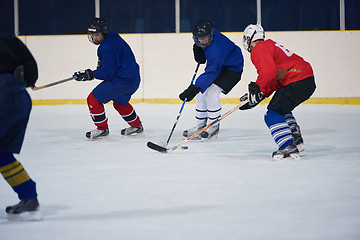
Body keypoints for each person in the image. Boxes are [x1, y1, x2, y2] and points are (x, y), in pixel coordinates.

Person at [240, 24, 316, 160]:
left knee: (272, 114)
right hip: (306, 80)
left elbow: (268, 73)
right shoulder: (270, 46)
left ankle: (286, 145)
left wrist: (258, 88)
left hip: (296, 79)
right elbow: (274, 78)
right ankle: (295, 137)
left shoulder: (259, 48)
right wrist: (258, 96)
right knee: (281, 110)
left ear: (249, 38)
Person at [73, 18, 144, 139]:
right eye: (92, 34)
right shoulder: (114, 37)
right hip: (133, 79)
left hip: (122, 80)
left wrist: (91, 74)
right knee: (120, 103)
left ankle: (102, 129)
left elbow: (108, 74)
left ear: (103, 33)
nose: (94, 38)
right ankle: (137, 126)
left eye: (97, 34)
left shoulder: (105, 47)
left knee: (93, 99)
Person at [179, 20, 244, 140]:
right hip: (222, 65)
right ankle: (200, 127)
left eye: (205, 38)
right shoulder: (207, 37)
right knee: (200, 95)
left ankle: (214, 126)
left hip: (232, 69)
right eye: (199, 38)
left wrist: (195, 87)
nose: (202, 41)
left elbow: (212, 71)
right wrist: (199, 49)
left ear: (211, 34)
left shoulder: (216, 50)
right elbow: (212, 66)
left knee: (211, 94)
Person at [0, 35, 42, 220]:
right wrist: (27, 83)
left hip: (4, 99)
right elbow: (30, 65)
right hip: (20, 99)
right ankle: (28, 197)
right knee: (2, 154)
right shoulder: (8, 39)